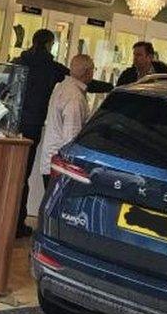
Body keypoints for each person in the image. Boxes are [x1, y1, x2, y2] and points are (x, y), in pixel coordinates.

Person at [12, 29, 110, 237]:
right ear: (49, 44)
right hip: (36, 127)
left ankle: (13, 221)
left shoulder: (19, 61)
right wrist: (112, 88)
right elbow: (71, 134)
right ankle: (24, 226)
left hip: (16, 124)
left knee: (17, 176)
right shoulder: (55, 71)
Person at [39, 54, 94, 188]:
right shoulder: (74, 97)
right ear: (88, 72)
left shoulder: (62, 87)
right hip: (61, 165)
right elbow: (71, 136)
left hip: (52, 160)